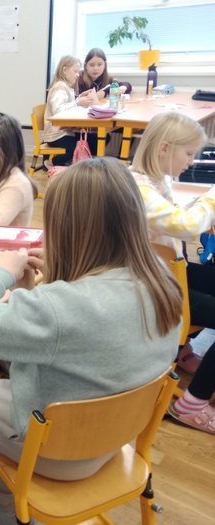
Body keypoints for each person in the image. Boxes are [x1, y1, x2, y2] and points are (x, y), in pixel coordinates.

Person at [0, 157, 182, 525]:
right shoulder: (162, 278)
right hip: (118, 436)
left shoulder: (60, 308)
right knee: (10, 365)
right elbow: (82, 329)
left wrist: (2, 274)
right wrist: (54, 279)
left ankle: (6, 505)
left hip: (65, 453)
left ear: (65, 228)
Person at [130, 111, 215, 435]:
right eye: (189, 153)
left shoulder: (156, 180)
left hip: (168, 272)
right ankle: (191, 404)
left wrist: (201, 206)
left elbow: (176, 216)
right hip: (153, 286)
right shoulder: (137, 189)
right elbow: (185, 225)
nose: (191, 162)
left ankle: (180, 349)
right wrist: (210, 200)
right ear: (164, 148)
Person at [43, 55, 99, 166]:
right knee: (78, 147)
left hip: (65, 132)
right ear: (64, 70)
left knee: (94, 140)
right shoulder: (59, 87)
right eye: (75, 71)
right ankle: (51, 163)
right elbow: (59, 111)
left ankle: (80, 166)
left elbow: (67, 104)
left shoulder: (66, 87)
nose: (78, 75)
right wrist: (78, 102)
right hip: (56, 134)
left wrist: (79, 98)